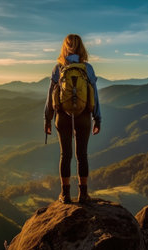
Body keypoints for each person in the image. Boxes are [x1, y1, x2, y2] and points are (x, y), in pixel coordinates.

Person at [44, 34, 101, 204]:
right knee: (82, 155)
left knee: (65, 154)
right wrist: (98, 119)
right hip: (84, 115)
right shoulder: (87, 68)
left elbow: (49, 97)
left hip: (63, 116)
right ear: (81, 48)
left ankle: (65, 195)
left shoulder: (58, 68)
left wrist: (47, 119)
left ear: (65, 48)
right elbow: (95, 96)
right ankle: (83, 194)